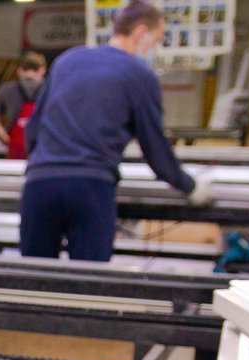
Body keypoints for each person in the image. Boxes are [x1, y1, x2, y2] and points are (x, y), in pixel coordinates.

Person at [20, 0, 212, 262]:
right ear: (140, 32)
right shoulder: (139, 74)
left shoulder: (67, 60)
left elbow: (32, 129)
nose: (154, 48)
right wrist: (190, 186)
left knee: (33, 276)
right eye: (156, 40)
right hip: (90, 188)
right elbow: (155, 148)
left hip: (40, 186)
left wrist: (45, 165)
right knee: (89, 279)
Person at [0, 51, 46, 160]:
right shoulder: (52, 89)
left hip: (16, 153)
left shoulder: (6, 90)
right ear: (42, 70)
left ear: (19, 70)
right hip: (43, 151)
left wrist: (8, 141)